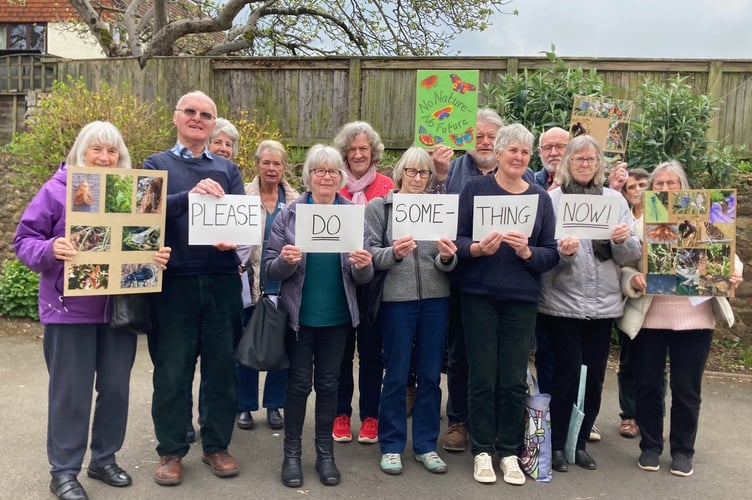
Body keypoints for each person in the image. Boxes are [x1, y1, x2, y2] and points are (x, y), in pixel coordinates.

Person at [14, 121, 171, 500]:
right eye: (96, 150)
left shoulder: (134, 195)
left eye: (112, 151)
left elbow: (140, 238)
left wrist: (156, 256)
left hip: (119, 308)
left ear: (121, 157)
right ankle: (64, 471)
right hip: (69, 311)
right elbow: (24, 241)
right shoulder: (57, 191)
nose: (104, 158)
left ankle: (104, 459)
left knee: (116, 389)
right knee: (71, 394)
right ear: (80, 153)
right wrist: (51, 248)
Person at [144, 91, 245, 486]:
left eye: (206, 114)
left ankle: (216, 447)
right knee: (172, 372)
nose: (198, 118)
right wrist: (189, 195)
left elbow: (241, 218)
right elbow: (145, 212)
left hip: (221, 280)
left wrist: (233, 238)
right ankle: (171, 451)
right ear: (176, 117)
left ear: (213, 123)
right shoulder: (156, 164)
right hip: (174, 283)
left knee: (222, 370)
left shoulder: (226, 168)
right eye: (191, 111)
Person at [619, 160, 743, 477]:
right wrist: (633, 281)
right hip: (651, 319)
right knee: (647, 386)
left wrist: (732, 275)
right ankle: (649, 447)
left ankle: (683, 451)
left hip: (695, 320)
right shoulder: (640, 224)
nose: (664, 189)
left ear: (683, 187)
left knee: (686, 390)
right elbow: (625, 267)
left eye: (670, 184)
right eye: (658, 184)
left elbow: (731, 259)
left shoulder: (706, 216)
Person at [455, 124, 559, 484]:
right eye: (512, 150)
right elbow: (458, 238)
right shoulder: (474, 189)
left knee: (513, 378)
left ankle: (510, 452)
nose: (518, 157)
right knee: (482, 374)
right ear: (497, 153)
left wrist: (528, 252)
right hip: (479, 295)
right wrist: (475, 249)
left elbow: (551, 253)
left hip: (521, 297)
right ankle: (483, 450)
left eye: (525, 153)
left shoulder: (540, 198)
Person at [265, 144, 374, 488]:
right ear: (308, 176)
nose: (326, 177)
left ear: (340, 177)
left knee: (329, 386)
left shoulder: (353, 214)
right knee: (298, 386)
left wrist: (362, 267)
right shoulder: (290, 214)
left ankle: (325, 453)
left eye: (332, 172)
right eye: (319, 171)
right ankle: (292, 455)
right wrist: (285, 261)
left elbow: (364, 277)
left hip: (338, 317)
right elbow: (269, 267)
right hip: (300, 318)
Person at [537, 135, 641, 473]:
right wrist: (563, 254)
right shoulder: (552, 200)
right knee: (563, 375)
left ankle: (579, 443)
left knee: (594, 378)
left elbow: (632, 253)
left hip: (603, 305)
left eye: (590, 159)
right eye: (578, 158)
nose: (584, 164)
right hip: (561, 303)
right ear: (567, 163)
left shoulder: (614, 200)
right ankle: (554, 445)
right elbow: (544, 255)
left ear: (599, 164)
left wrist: (623, 241)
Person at [366, 147, 457, 476]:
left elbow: (449, 261)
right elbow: (370, 254)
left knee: (431, 376)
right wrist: (394, 253)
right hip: (396, 301)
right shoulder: (380, 208)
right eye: (412, 171)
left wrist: (447, 258)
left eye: (424, 173)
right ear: (400, 172)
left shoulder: (441, 208)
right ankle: (391, 445)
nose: (417, 178)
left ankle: (425, 445)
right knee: (397, 373)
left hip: (436, 299)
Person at [430, 108, 510, 453]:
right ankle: (459, 421)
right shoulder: (453, 169)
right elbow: (436, 218)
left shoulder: (518, 173)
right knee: (460, 353)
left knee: (502, 356)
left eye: (492, 136)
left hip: (508, 280)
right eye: (478, 135)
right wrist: (440, 175)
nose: (485, 141)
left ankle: (492, 421)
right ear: (465, 138)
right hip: (465, 276)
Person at [332, 121, 394, 444]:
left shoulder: (387, 186)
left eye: (364, 149)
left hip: (375, 284)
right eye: (352, 149)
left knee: (372, 353)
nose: (358, 154)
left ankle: (370, 415)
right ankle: (340, 413)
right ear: (345, 152)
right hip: (339, 281)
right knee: (341, 353)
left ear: (373, 153)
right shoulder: (333, 183)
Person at [183, 117, 243, 442]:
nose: (222, 149)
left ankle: (211, 425)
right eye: (218, 143)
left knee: (219, 363)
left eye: (228, 145)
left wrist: (236, 247)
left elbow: (244, 231)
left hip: (224, 277)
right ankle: (184, 426)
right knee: (181, 363)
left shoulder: (233, 177)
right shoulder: (171, 166)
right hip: (186, 278)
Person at [235, 139, 298, 431]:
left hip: (284, 284)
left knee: (281, 349)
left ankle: (275, 405)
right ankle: (245, 406)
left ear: (284, 167)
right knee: (246, 345)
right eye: (266, 162)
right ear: (257, 165)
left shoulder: (296, 201)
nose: (271, 168)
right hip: (250, 282)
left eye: (277, 163)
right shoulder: (241, 197)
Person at [615, 168, 650, 439]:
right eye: (631, 187)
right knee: (628, 360)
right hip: (630, 297)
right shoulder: (623, 219)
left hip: (660, 301)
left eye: (642, 184)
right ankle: (628, 415)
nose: (637, 190)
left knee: (655, 365)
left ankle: (652, 416)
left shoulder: (664, 216)